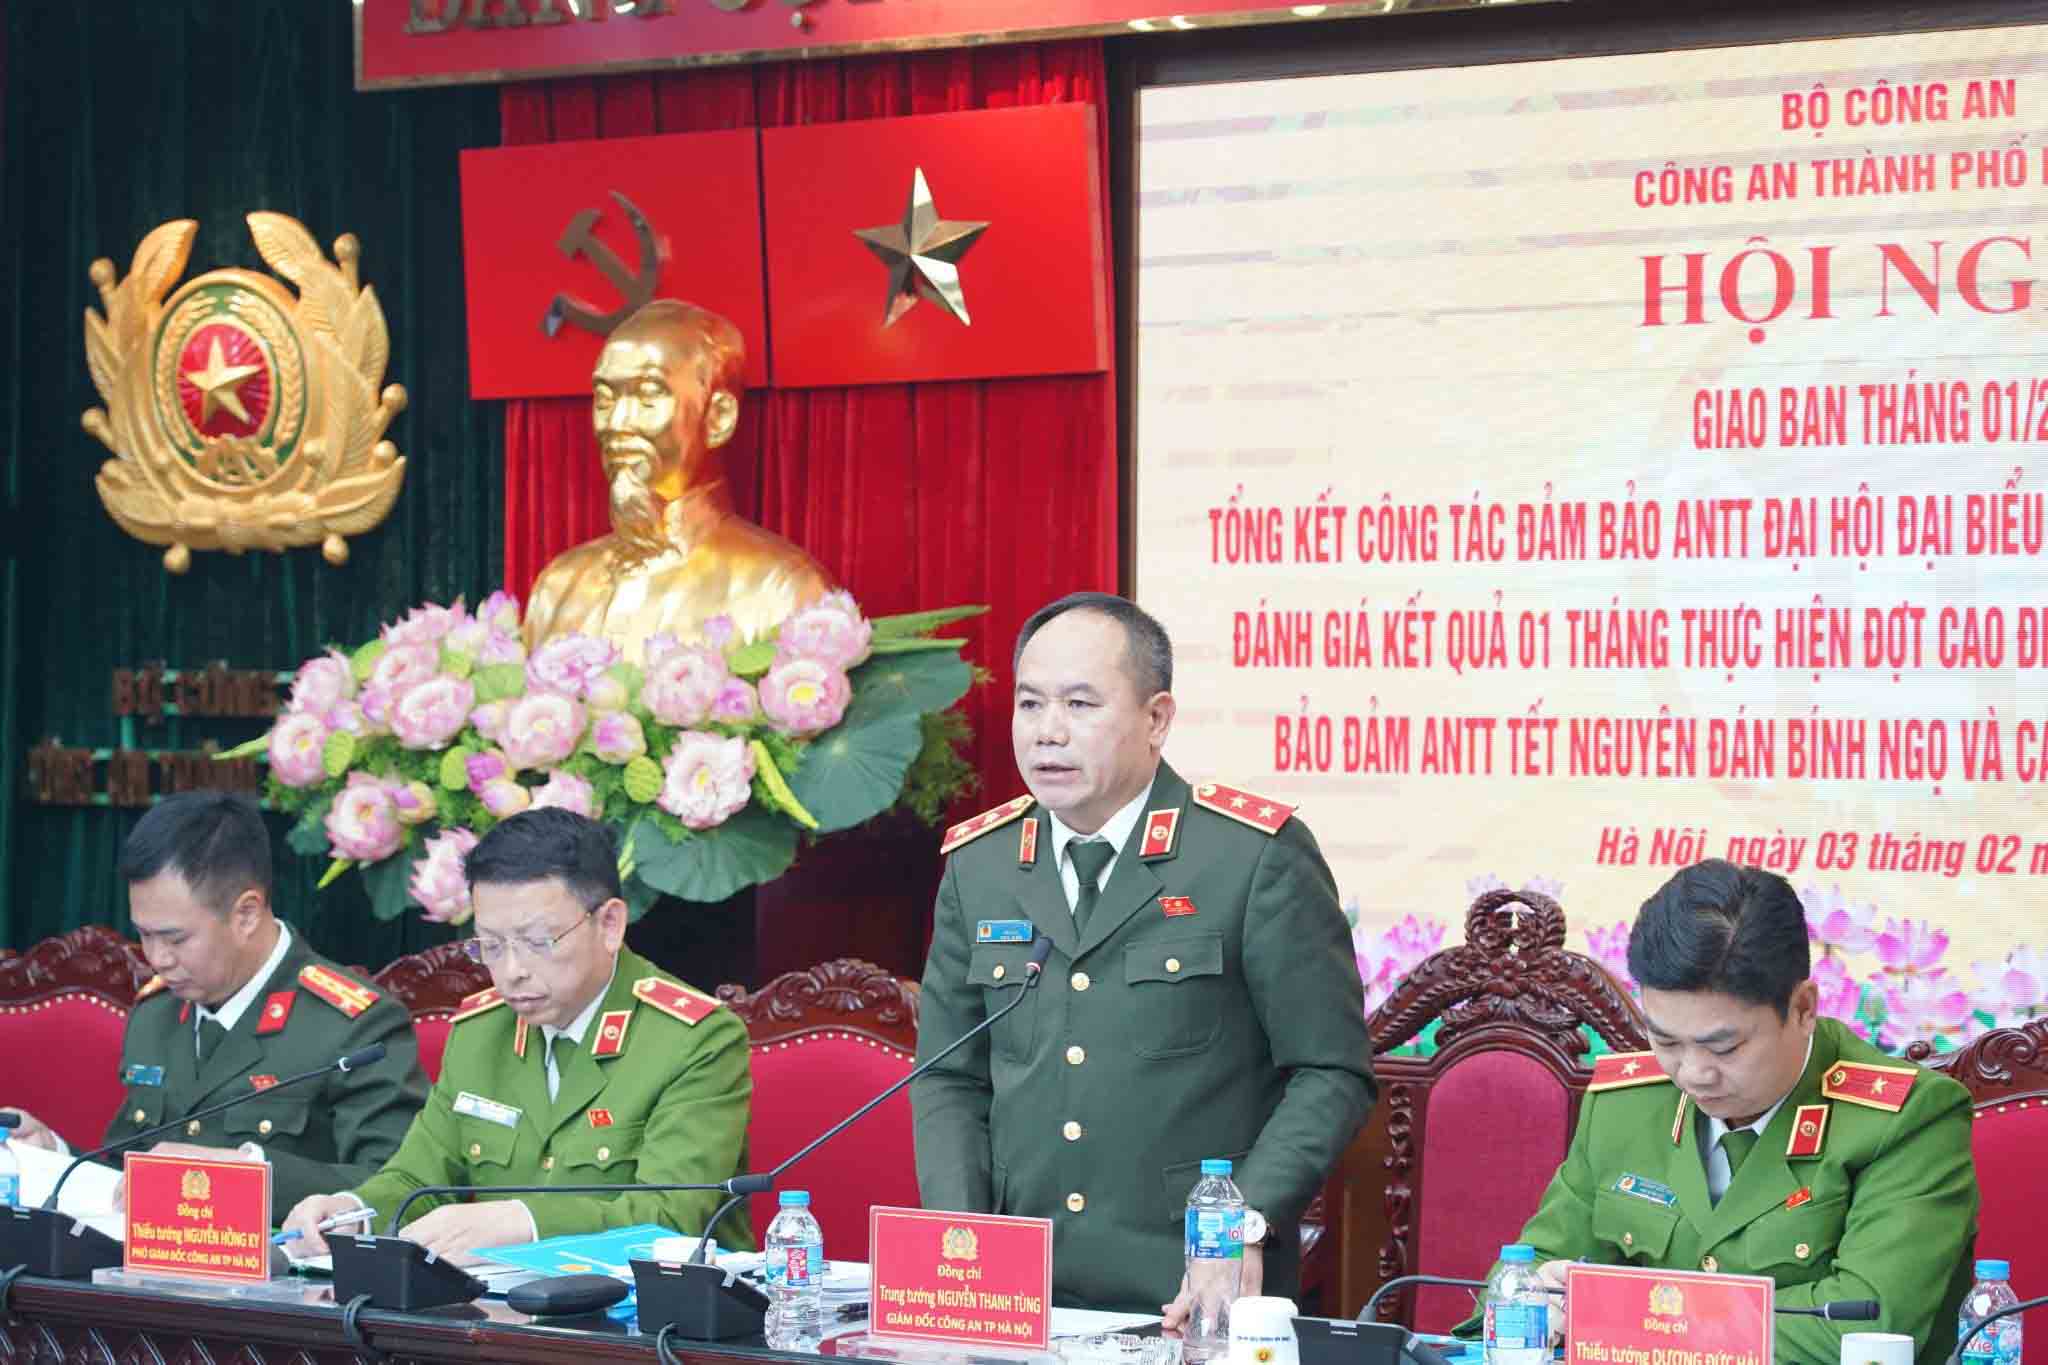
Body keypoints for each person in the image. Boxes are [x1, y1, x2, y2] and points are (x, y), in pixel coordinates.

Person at [913, 592, 1376, 1315]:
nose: (1048, 734)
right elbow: (948, 1077)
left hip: (1189, 1288)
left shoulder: (1250, 857)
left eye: (1080, 704)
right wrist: (960, 1237)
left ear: (1156, 718)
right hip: (1016, 1290)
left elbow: (1331, 1071)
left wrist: (1237, 1227)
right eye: (1030, 705)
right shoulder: (982, 864)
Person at [1479, 859, 1977, 1365]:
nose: (1693, 1074)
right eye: (1666, 1040)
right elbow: (1515, 1286)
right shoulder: (1623, 1106)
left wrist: (1627, 1321)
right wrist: (1533, 1297)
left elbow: (1868, 1328)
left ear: (1804, 1008)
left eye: (1724, 1047)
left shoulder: (1906, 1119)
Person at [280, 808, 754, 1261]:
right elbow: (414, 1179)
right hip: (499, 1318)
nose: (511, 972)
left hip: (654, 1325)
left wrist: (524, 1222)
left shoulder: (694, 1039)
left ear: (609, 923)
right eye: (489, 944)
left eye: (537, 942)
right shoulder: (480, 1032)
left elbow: (671, 1215)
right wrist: (351, 1212)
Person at [2, 792, 427, 1213]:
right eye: (144, 934)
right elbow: (129, 1178)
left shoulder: (354, 1026)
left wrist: (246, 1175)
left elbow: (397, 1188)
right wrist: (54, 1155)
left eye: (175, 938)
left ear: (245, 913)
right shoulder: (156, 1015)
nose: (157, 958)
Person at [521, 299, 835, 660]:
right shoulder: (559, 586)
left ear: (718, 418)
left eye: (648, 394)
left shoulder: (783, 589)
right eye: (605, 399)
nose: (616, 423)